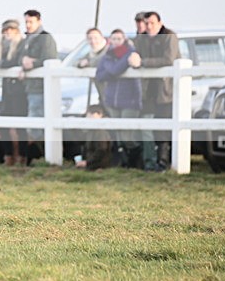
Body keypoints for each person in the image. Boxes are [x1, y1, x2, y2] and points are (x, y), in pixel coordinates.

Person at [128, 11, 180, 171]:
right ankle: (149, 161)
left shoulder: (169, 36)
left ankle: (163, 162)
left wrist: (142, 62)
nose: (149, 26)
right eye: (147, 23)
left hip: (166, 91)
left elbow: (168, 59)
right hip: (149, 91)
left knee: (163, 128)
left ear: (160, 23)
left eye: (152, 23)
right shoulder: (143, 39)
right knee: (148, 125)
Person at [95, 29, 142, 167]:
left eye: (119, 39)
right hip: (112, 100)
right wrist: (115, 68)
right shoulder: (108, 55)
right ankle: (124, 162)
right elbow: (100, 75)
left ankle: (136, 161)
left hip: (130, 100)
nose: (116, 42)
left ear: (124, 39)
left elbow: (113, 70)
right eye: (113, 39)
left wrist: (112, 69)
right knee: (118, 134)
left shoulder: (131, 53)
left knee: (127, 135)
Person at [0, 19, 27, 165]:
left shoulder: (22, 44)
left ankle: (22, 156)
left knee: (20, 126)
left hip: (20, 91)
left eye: (11, 30)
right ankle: (8, 155)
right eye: (6, 30)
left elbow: (14, 62)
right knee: (3, 123)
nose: (8, 33)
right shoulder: (2, 46)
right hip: (7, 91)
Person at [19, 10, 58, 164]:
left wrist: (32, 63)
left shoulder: (45, 38)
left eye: (31, 22)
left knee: (37, 125)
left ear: (39, 21)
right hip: (30, 88)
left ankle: (41, 158)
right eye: (26, 22)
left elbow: (49, 59)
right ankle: (39, 158)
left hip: (41, 88)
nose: (28, 25)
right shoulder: (28, 39)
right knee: (34, 124)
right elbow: (21, 58)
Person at [74, 104, 112, 170]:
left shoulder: (101, 132)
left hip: (98, 164)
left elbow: (101, 151)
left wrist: (87, 162)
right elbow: (82, 143)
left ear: (100, 115)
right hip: (90, 162)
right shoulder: (90, 131)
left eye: (91, 115)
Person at [76, 27, 108, 102]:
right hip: (100, 93)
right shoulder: (91, 53)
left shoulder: (109, 50)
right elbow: (76, 61)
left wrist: (88, 63)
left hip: (113, 93)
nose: (93, 41)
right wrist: (80, 64)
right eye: (90, 38)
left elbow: (100, 61)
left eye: (95, 38)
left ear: (101, 38)